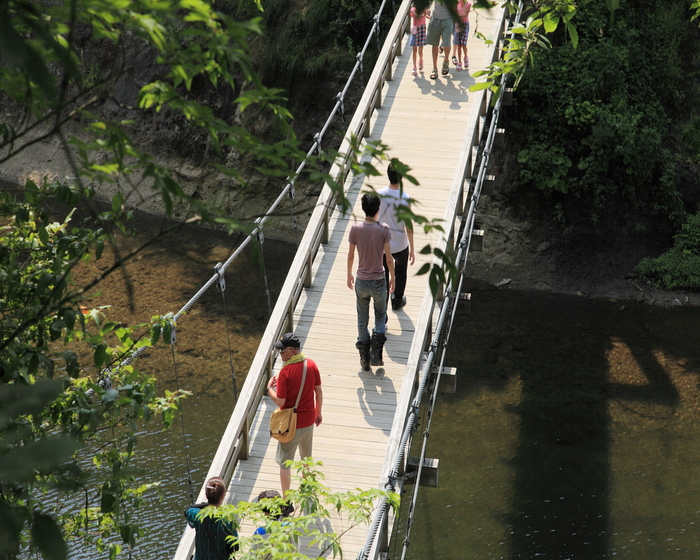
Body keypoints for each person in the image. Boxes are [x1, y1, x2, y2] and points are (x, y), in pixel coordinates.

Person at [267, 332, 323, 498]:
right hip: (308, 421)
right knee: (306, 460)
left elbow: (280, 401)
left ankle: (287, 500)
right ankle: (307, 492)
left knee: (285, 463)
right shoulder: (311, 365)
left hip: (290, 424)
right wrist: (318, 412)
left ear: (292, 350)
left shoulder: (286, 372)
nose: (280, 354)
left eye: (282, 351)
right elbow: (318, 391)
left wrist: (270, 389)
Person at [347, 193, 395, 370]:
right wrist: (393, 278)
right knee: (380, 315)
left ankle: (364, 358)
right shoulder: (384, 229)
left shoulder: (355, 229)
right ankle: (376, 351)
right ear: (378, 209)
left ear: (363, 208)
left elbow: (351, 255)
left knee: (362, 319)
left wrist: (349, 274)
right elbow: (389, 259)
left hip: (361, 280)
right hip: (378, 280)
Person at [378, 164, 415, 312]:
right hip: (400, 244)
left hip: (382, 245)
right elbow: (409, 225)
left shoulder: (379, 194)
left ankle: (383, 311)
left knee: (384, 276)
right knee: (401, 271)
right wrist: (412, 248)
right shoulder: (405, 198)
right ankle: (397, 300)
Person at [184, 476, 237, 560]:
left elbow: (187, 510)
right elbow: (235, 547)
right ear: (223, 495)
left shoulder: (198, 515)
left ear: (206, 495)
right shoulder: (228, 520)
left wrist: (206, 505)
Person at [426, 0, 454, 79]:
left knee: (446, 44)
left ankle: (446, 60)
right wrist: (426, 9)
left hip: (448, 19)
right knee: (434, 44)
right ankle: (434, 68)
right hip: (435, 18)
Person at [409, 5, 430, 75]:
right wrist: (424, 14)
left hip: (422, 28)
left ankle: (421, 60)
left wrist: (427, 13)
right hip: (415, 29)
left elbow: (428, 12)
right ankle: (414, 66)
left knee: (420, 50)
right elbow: (416, 16)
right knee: (414, 49)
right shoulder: (413, 9)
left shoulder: (424, 8)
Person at [452, 0, 472, 71]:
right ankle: (459, 62)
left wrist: (458, 16)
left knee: (464, 44)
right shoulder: (456, 4)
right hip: (458, 24)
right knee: (459, 45)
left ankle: (466, 57)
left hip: (465, 24)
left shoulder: (468, 4)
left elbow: (465, 14)